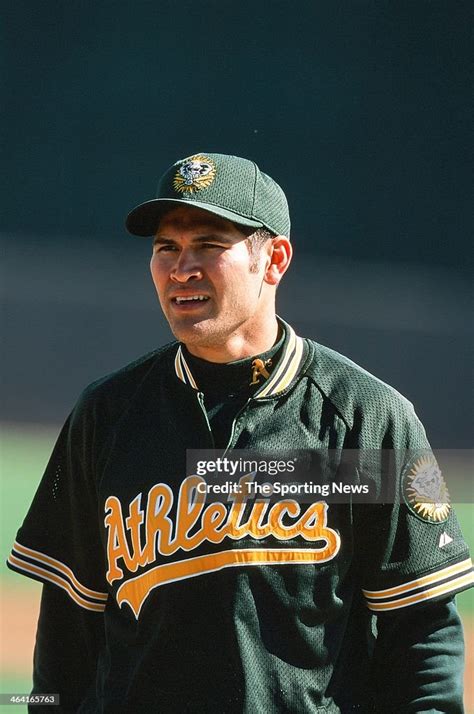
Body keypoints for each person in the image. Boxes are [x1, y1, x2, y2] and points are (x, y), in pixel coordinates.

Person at [8, 152, 473, 713]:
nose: (182, 269)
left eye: (208, 244)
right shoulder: (107, 415)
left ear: (273, 259)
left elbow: (421, 634)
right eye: (166, 248)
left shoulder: (364, 419)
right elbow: (66, 636)